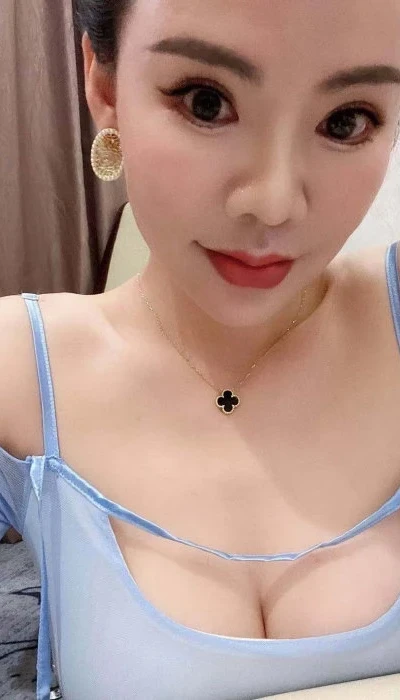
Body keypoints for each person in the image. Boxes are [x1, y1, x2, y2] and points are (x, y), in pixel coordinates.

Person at [1, 0, 400, 698]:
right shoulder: (21, 366)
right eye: (205, 102)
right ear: (103, 85)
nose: (273, 204)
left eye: (346, 121)